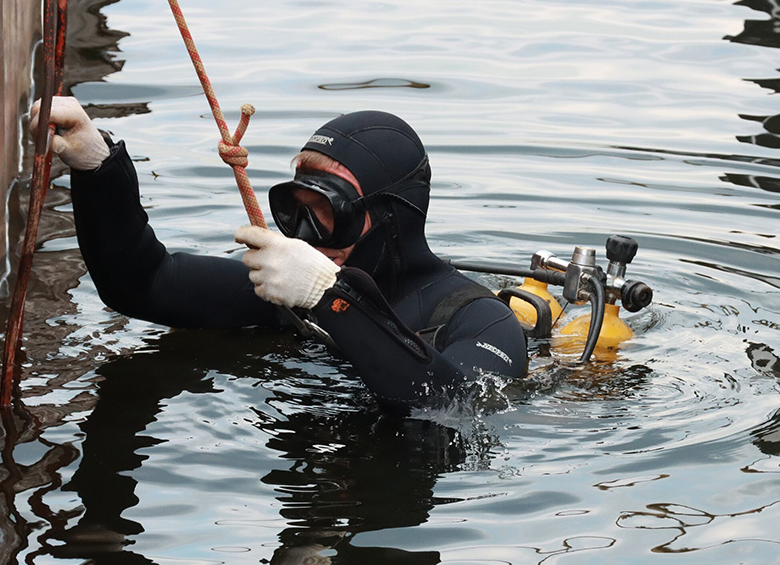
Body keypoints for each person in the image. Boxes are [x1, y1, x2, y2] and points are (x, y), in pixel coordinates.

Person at [34, 97, 527, 414]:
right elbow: (141, 284)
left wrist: (329, 297)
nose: (308, 234)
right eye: (295, 210)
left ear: (389, 216)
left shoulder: (480, 321)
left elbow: (454, 403)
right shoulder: (290, 293)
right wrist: (98, 168)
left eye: (328, 212)